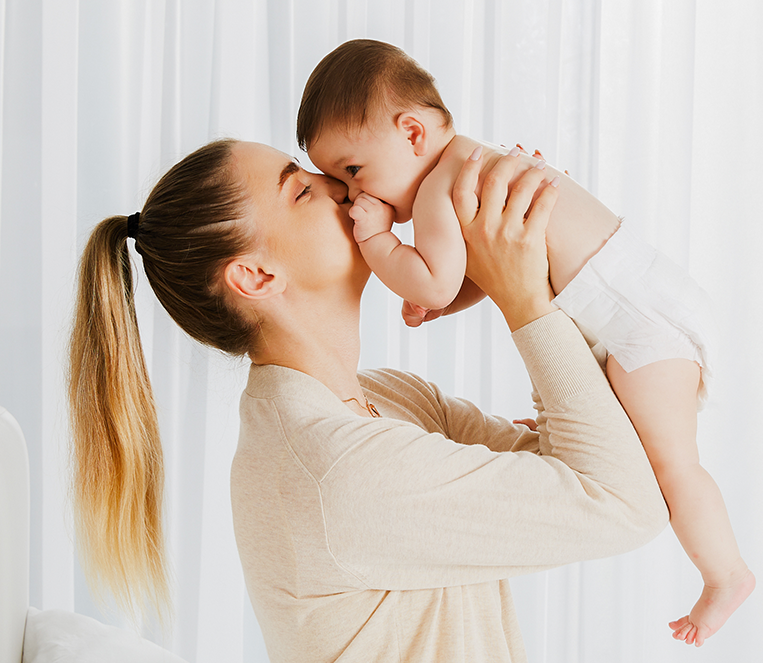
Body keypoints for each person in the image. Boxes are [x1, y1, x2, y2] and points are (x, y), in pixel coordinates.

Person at [67, 138, 668, 662]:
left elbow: (625, 451)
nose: (337, 185)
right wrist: (526, 297)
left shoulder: (392, 400)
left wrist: (553, 256)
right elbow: (624, 501)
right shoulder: (338, 469)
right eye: (300, 191)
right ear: (255, 277)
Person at [296, 38, 755, 647]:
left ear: (412, 134)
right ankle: (718, 564)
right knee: (631, 443)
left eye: (353, 171)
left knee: (670, 466)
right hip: (644, 301)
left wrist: (382, 242)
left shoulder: (437, 189)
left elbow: (435, 281)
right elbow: (490, 270)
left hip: (639, 327)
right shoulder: (469, 164)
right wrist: (443, 295)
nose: (355, 196)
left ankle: (726, 574)